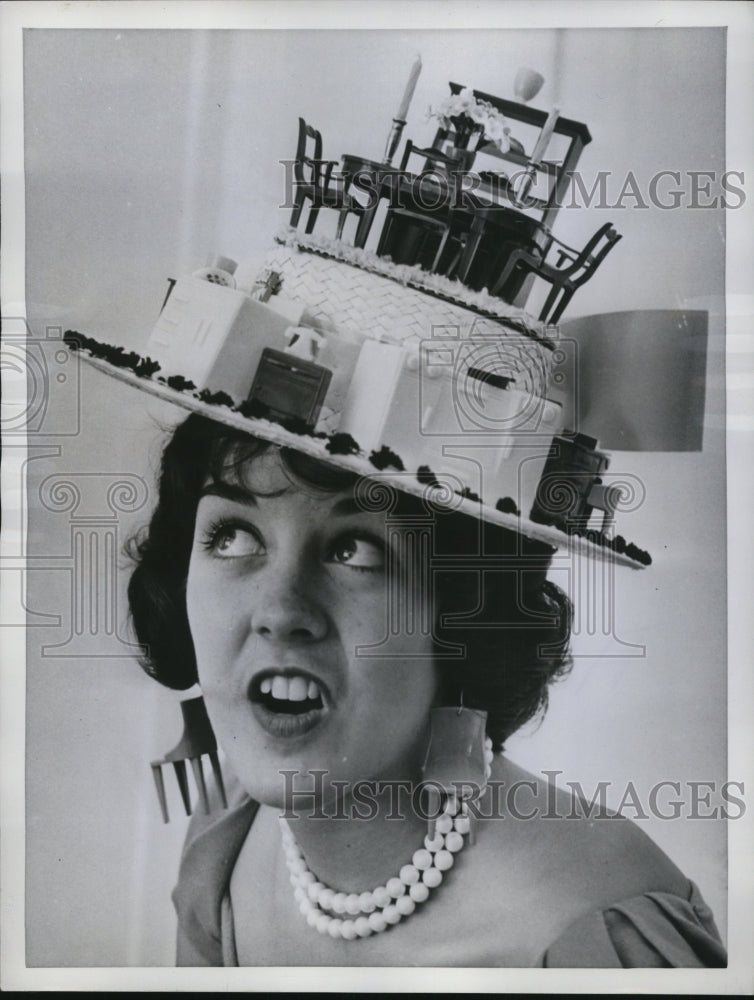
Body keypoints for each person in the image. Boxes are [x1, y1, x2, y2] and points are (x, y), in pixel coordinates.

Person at [126, 412, 727, 968]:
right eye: (232, 536)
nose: (280, 611)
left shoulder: (595, 932)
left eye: (354, 549)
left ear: (460, 614)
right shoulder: (225, 833)